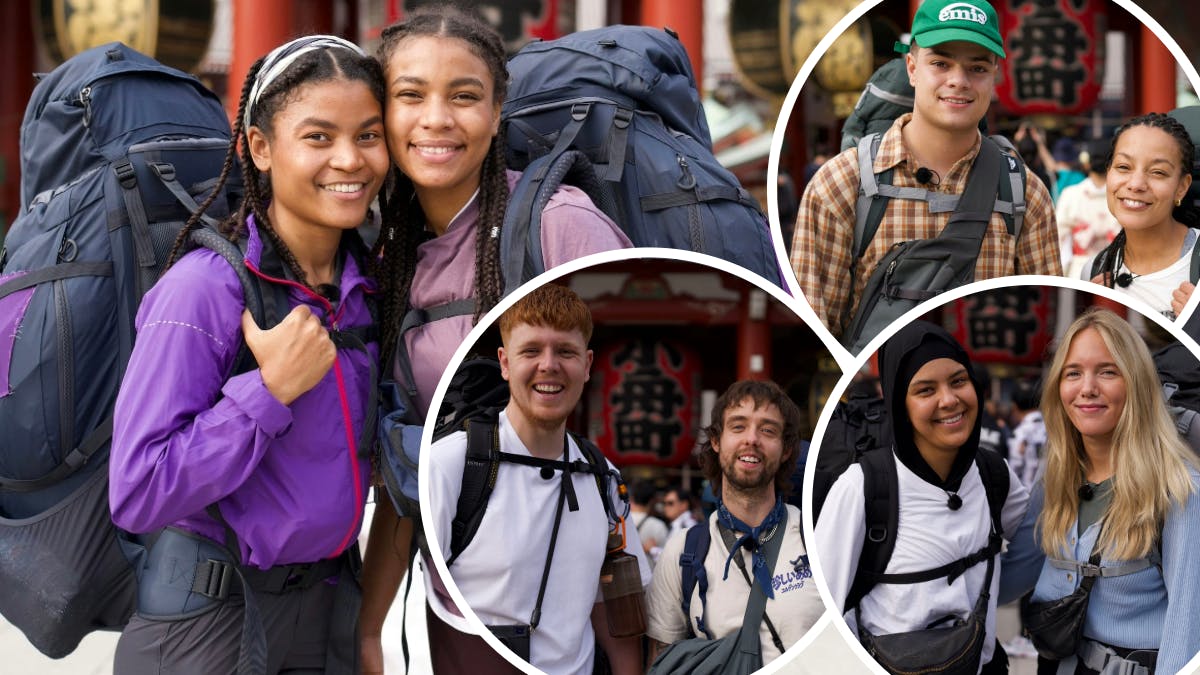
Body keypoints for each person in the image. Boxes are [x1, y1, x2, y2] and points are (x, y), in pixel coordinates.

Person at [357, 7, 633, 673]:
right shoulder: (387, 252)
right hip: (450, 621)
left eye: (465, 95)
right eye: (411, 95)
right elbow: (408, 467)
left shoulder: (559, 224)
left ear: (499, 108)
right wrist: (369, 632)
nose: (437, 120)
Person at [108, 36, 385, 673]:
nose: (350, 159)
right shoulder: (206, 289)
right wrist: (268, 392)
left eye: (368, 136)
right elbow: (138, 491)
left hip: (330, 609)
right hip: (209, 622)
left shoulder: (363, 287)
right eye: (318, 136)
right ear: (260, 148)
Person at [790, 0, 1060, 339]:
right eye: (941, 63)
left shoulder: (1025, 193)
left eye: (977, 68)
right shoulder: (841, 183)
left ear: (995, 76)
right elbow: (814, 334)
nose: (958, 81)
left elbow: (1045, 332)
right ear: (912, 68)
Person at [424, 284, 650, 674]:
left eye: (566, 352)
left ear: (588, 363)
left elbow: (613, 607)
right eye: (531, 351)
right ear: (504, 361)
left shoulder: (603, 478)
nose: (549, 365)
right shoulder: (452, 464)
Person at [816, 320, 1029, 674]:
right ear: (900, 405)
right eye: (925, 390)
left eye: (959, 381)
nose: (949, 400)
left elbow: (1042, 538)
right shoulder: (863, 487)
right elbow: (824, 613)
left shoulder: (993, 474)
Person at [1000, 308, 1200, 675]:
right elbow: (1009, 576)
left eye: (1108, 372)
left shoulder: (1178, 490)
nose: (1087, 388)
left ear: (1136, 382)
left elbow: (1187, 635)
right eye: (1073, 373)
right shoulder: (1056, 482)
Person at [645, 380, 823, 666]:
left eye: (767, 430)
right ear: (716, 441)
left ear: (786, 449)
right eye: (738, 427)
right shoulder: (684, 552)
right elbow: (666, 662)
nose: (751, 439)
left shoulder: (818, 536)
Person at [1084, 113, 1199, 320]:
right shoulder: (1096, 269)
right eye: (1123, 167)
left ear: (1182, 187)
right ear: (1108, 172)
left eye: (1158, 172)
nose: (1136, 184)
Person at [1056, 139, 1121, 279]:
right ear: (1111, 164)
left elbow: (1059, 237)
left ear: (1086, 163)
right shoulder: (1123, 196)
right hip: (1115, 270)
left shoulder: (1070, 194)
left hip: (1079, 269)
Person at [630, 480, 670, 567]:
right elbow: (666, 560)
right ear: (652, 501)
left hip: (623, 577)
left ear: (631, 498)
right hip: (649, 577)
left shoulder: (620, 523)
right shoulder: (658, 526)